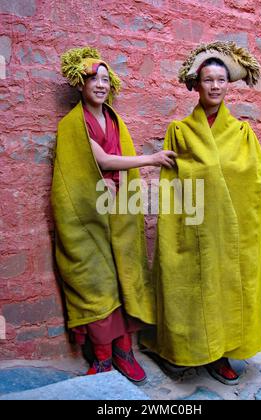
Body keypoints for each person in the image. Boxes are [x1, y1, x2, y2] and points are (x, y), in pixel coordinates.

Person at [140, 41, 261, 385]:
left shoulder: (243, 134)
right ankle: (182, 351)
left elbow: (252, 184)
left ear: (228, 85)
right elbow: (170, 188)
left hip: (229, 232)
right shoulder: (179, 132)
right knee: (190, 289)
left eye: (220, 80)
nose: (214, 86)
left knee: (226, 290)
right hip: (192, 228)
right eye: (207, 80)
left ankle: (222, 354)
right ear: (196, 85)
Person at [51, 47, 176, 383]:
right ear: (81, 83)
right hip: (87, 220)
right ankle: (103, 358)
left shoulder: (115, 122)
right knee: (96, 283)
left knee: (124, 279)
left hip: (119, 216)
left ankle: (124, 352)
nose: (101, 84)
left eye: (106, 79)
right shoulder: (71, 126)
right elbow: (100, 162)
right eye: (94, 78)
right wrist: (151, 159)